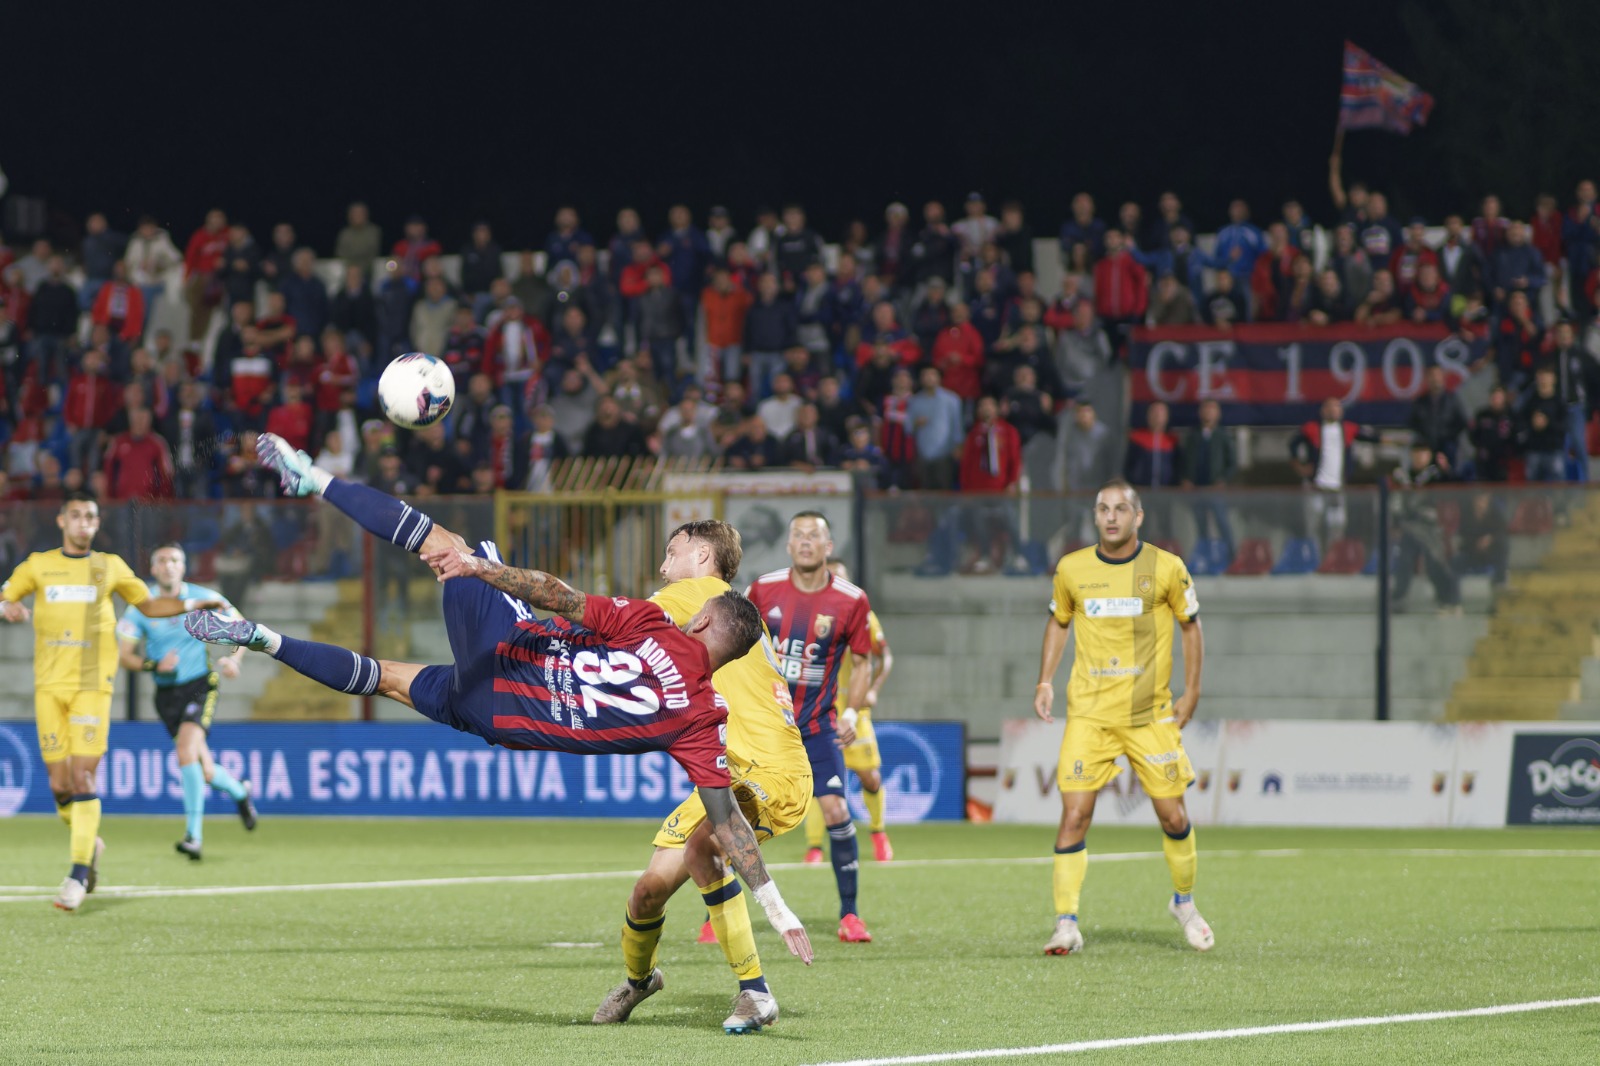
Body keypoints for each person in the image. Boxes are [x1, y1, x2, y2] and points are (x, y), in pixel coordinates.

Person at [187, 434, 811, 957]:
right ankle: (264, 639)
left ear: (701, 593)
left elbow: (558, 594)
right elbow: (727, 823)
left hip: (512, 656)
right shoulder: (703, 718)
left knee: (446, 543)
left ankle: (312, 479)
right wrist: (778, 909)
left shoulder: (667, 610)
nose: (664, 566)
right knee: (385, 677)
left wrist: (480, 567)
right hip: (503, 719)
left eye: (673, 554)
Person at [593, 520, 812, 1034]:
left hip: (773, 771)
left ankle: (756, 993)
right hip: (725, 775)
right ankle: (640, 980)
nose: (663, 565)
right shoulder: (724, 613)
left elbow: (612, 621)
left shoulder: (700, 594)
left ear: (703, 557)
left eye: (673, 552)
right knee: (647, 892)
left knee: (702, 849)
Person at [1, 492, 222, 911]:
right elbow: (5, 594)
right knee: (60, 785)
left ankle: (78, 872)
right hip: (49, 687)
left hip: (92, 686)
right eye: (76, 515)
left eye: (91, 516)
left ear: (97, 523)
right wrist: (8, 606)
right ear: (62, 521)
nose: (84, 522)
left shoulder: (111, 567)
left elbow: (150, 605)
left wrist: (195, 602)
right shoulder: (38, 565)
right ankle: (91, 845)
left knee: (83, 777)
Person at [1032, 479, 1212, 956]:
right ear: (1095, 517)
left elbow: (1191, 627)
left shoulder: (1167, 567)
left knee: (1174, 816)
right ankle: (1066, 923)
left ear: (1138, 516)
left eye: (1120, 509)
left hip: (1149, 715)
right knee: (1075, 815)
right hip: (1089, 715)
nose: (1110, 517)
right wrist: (1045, 680)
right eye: (1102, 509)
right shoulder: (1072, 568)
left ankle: (1184, 903)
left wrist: (1192, 691)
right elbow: (1058, 621)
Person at [746, 512, 877, 943]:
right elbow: (734, 643)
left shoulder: (851, 600)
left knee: (837, 810)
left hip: (818, 727)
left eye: (813, 536)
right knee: (736, 817)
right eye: (798, 536)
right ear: (788, 546)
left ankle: (850, 915)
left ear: (828, 546)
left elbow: (864, 662)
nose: (805, 542)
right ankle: (718, 917)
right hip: (766, 727)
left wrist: (852, 713)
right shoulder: (762, 590)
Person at [116, 544, 259, 859]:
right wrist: (154, 665)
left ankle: (193, 836)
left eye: (175, 560)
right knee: (204, 770)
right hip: (166, 695)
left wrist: (234, 659)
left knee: (185, 751)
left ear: (183, 567)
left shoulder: (204, 598)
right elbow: (124, 656)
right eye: (162, 560)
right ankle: (240, 791)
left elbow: (244, 629)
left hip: (199, 686)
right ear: (153, 569)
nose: (169, 565)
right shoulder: (141, 607)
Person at [801, 560, 894, 864]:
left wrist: (873, 689)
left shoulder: (862, 615)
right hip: (819, 709)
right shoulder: (809, 615)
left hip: (853, 709)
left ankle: (878, 832)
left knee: (870, 778)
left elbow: (884, 657)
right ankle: (815, 847)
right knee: (819, 780)